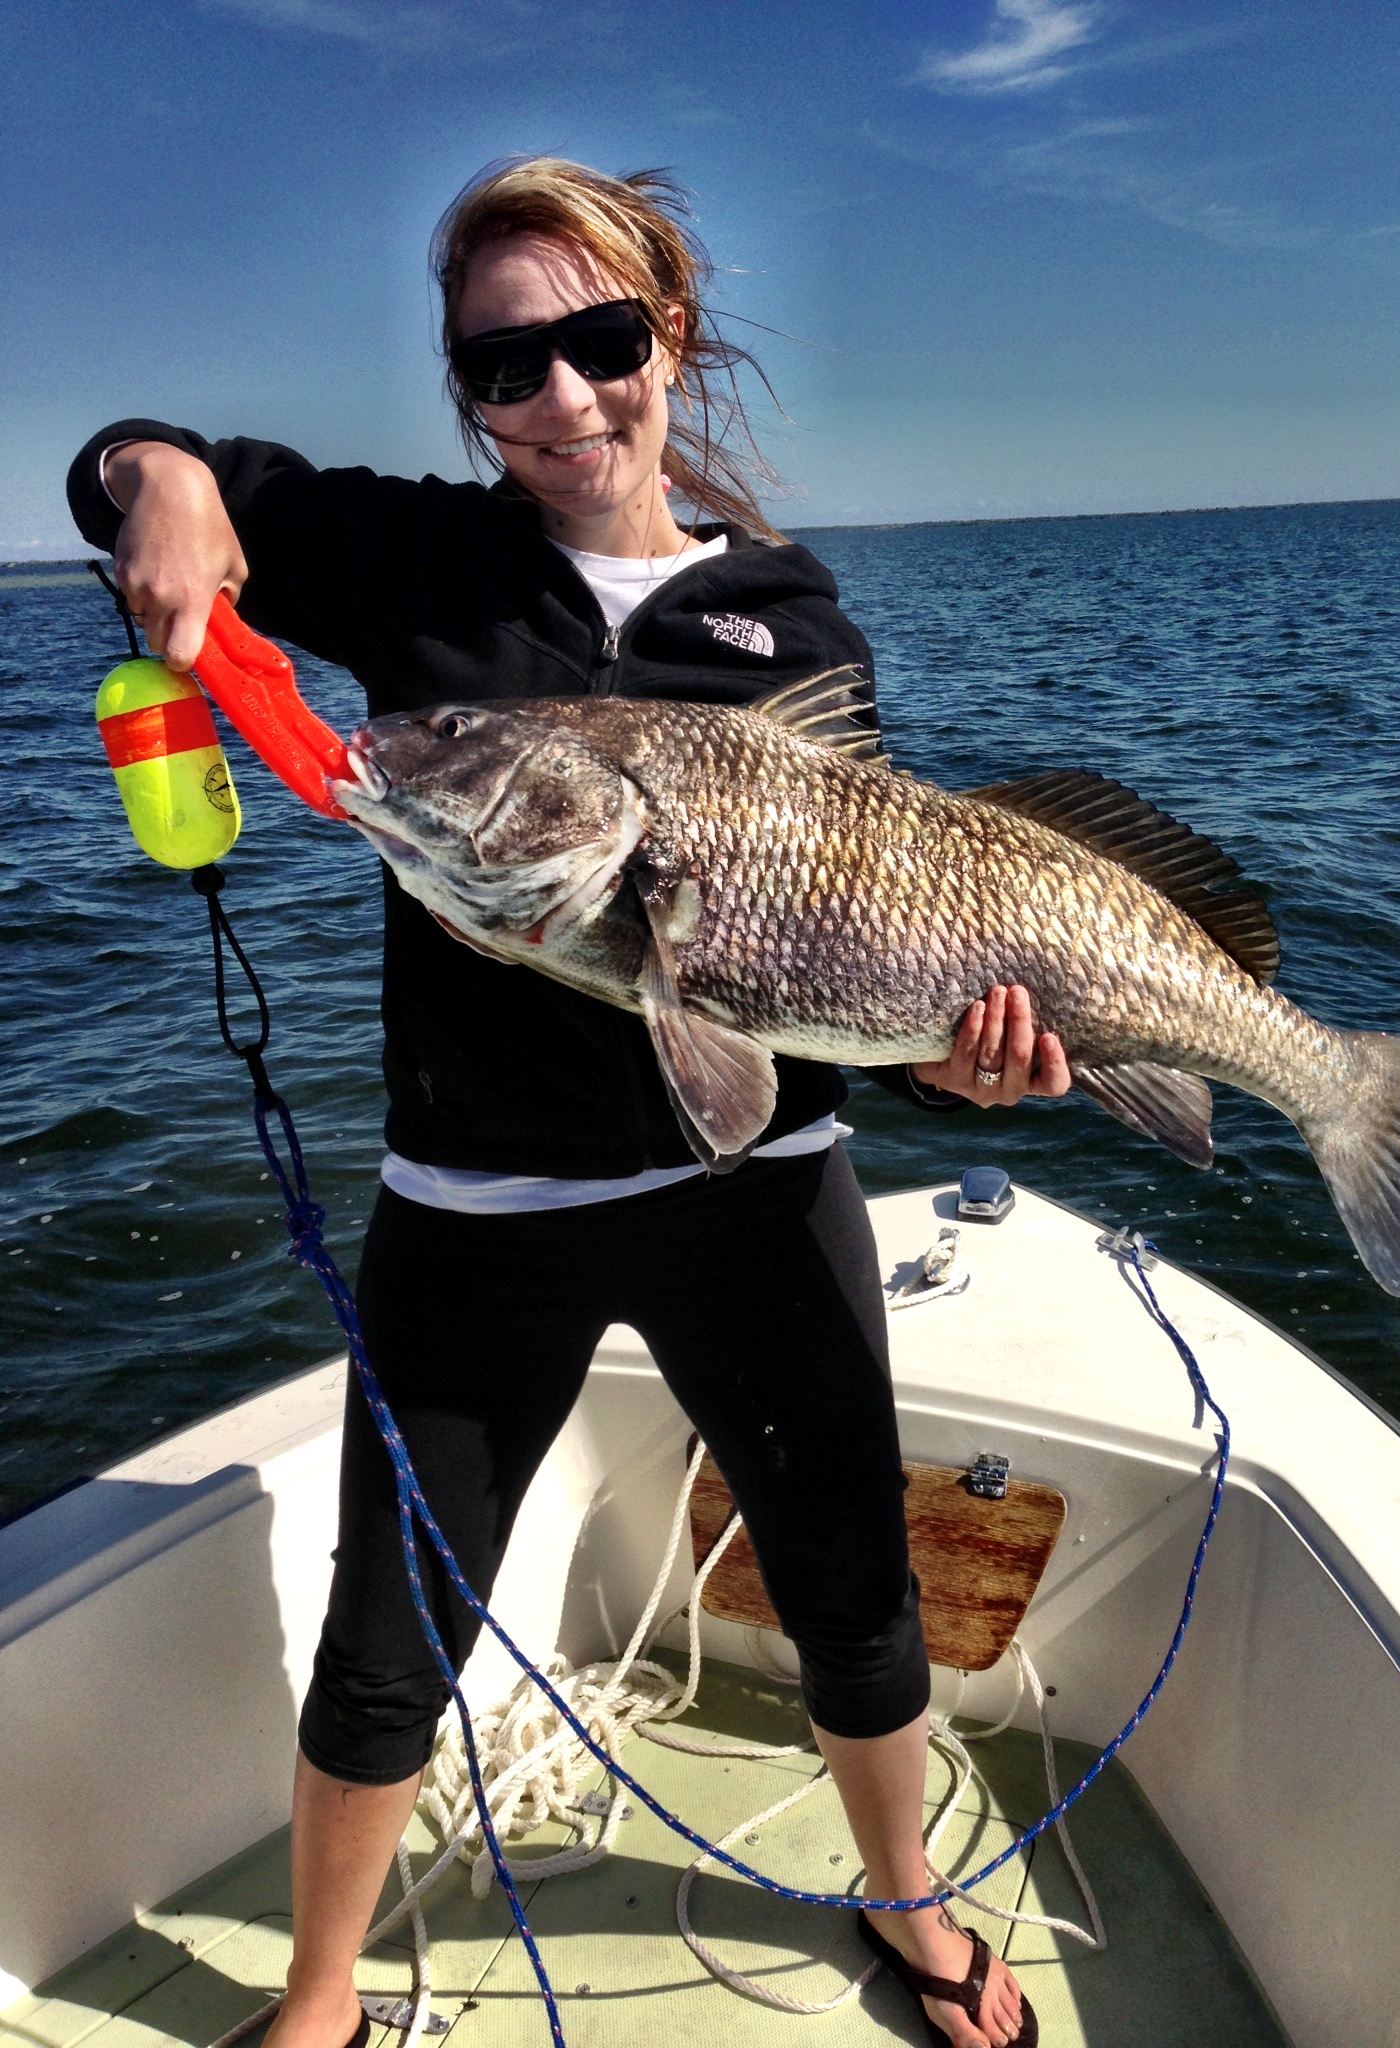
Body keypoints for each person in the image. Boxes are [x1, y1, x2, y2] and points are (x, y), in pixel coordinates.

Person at [67, 157, 1070, 2048]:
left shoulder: (795, 620)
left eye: (601, 343)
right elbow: (135, 464)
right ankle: (316, 1998)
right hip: (476, 1215)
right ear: (466, 391)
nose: (563, 398)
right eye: (503, 365)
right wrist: (174, 486)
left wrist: (966, 1069)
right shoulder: (419, 561)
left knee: (854, 1591)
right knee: (391, 1641)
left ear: (669, 339)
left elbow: (861, 959)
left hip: (762, 1192)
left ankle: (912, 1913)